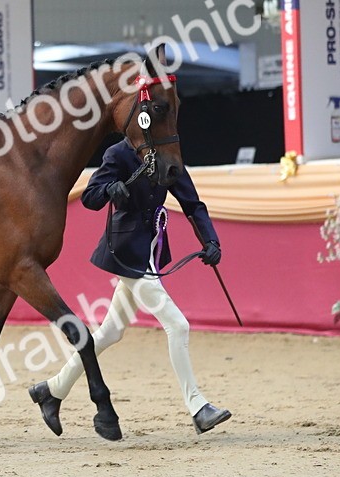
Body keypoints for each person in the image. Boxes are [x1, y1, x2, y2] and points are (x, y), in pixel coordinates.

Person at [28, 139, 232, 436]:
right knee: (178, 325)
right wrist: (110, 189)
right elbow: (91, 196)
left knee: (110, 332)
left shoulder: (167, 153)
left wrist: (211, 240)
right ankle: (198, 407)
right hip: (126, 252)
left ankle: (52, 390)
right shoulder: (118, 154)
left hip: (149, 249)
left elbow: (192, 204)